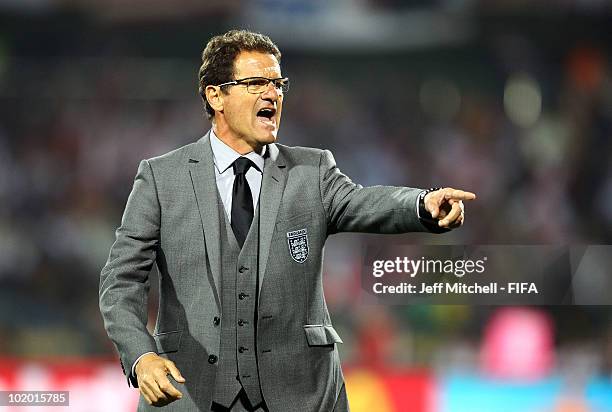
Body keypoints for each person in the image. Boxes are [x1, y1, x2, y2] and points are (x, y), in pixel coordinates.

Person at [99, 29, 476, 412]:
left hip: (300, 395)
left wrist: (422, 203)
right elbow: (120, 281)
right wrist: (141, 356)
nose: (273, 93)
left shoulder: (312, 171)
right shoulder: (162, 177)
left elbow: (365, 201)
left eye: (278, 83)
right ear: (216, 96)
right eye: (257, 83)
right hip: (190, 394)